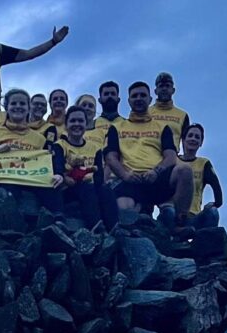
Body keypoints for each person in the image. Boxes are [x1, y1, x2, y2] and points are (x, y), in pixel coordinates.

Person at [104, 81, 182, 216]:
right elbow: (111, 157)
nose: (139, 99)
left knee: (185, 171)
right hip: (130, 179)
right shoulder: (116, 128)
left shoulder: (162, 127)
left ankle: (180, 220)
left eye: (142, 95)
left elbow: (171, 156)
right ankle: (142, 212)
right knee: (124, 209)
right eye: (135, 96)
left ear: (150, 99)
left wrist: (156, 172)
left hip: (156, 178)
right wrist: (125, 175)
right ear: (129, 101)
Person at [0, 88, 64, 210]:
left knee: (52, 184)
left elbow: (49, 162)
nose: (18, 106)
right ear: (6, 107)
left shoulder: (40, 139)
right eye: (13, 103)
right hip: (6, 179)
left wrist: (58, 174)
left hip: (33, 179)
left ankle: (57, 222)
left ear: (28, 108)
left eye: (22, 104)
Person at [54, 105, 117, 228]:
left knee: (106, 190)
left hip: (90, 187)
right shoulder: (59, 145)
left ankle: (114, 228)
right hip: (67, 190)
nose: (77, 124)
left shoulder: (95, 148)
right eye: (72, 121)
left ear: (86, 124)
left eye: (80, 121)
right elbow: (58, 168)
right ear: (66, 125)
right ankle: (96, 227)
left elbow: (98, 176)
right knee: (87, 189)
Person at [169, 123, 223, 233]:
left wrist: (216, 203)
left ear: (201, 143)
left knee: (213, 212)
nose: (193, 139)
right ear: (183, 139)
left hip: (193, 217)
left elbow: (216, 187)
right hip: (173, 214)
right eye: (190, 135)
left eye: (197, 137)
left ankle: (205, 246)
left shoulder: (203, 164)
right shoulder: (173, 161)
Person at [149, 71, 190, 148]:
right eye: (161, 86)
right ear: (155, 91)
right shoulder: (146, 113)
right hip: (149, 156)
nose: (164, 89)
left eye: (167, 86)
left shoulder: (182, 115)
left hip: (172, 158)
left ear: (173, 90)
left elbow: (186, 143)